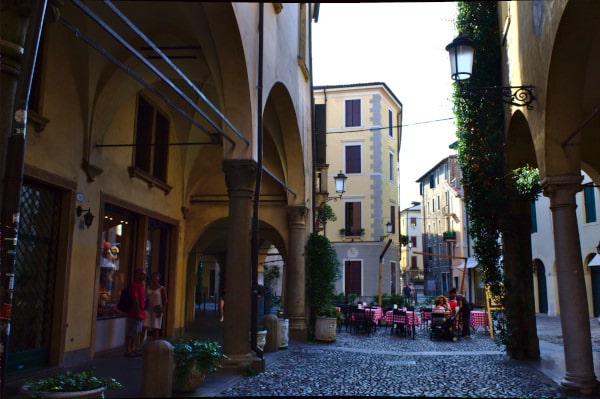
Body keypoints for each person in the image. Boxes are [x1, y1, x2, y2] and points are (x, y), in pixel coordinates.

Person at [125, 268, 146, 357]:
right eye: (142, 274)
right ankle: (128, 350)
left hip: (140, 311)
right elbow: (135, 299)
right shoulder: (135, 286)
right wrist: (137, 312)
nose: (144, 276)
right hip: (134, 312)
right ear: (137, 275)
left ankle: (133, 348)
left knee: (136, 332)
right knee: (131, 332)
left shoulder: (141, 286)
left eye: (144, 274)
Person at [141, 272, 168, 342]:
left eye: (156, 277)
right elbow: (145, 297)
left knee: (155, 327)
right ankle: (140, 344)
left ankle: (154, 344)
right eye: (153, 277)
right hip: (148, 308)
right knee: (144, 326)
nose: (154, 278)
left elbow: (165, 300)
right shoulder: (148, 287)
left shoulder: (162, 288)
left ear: (158, 278)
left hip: (157, 308)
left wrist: (162, 310)